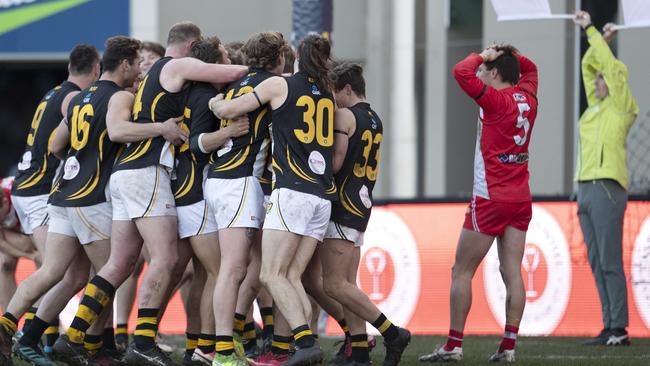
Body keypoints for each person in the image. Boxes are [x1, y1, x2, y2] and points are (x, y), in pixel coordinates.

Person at [54, 22, 248, 366]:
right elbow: (228, 70)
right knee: (164, 259)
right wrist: (268, 77)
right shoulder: (174, 64)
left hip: (124, 174)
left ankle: (74, 336)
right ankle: (143, 342)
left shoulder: (151, 81)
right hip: (147, 173)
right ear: (189, 46)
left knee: (121, 263)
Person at [1, 36, 142, 366]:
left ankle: (16, 332)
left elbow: (55, 143)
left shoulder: (79, 99)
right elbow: (119, 132)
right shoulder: (119, 96)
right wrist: (160, 128)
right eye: (136, 64)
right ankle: (83, 342)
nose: (138, 71)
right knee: (111, 272)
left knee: (62, 273)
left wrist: (77, 158)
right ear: (124, 64)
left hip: (62, 194)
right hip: (90, 196)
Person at [419, 44, 538, 363]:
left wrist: (484, 55)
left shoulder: (495, 99)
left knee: (462, 270)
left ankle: (454, 345)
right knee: (512, 272)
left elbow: (461, 71)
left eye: (486, 69)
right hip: (520, 197)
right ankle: (508, 347)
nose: (481, 72)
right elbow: (531, 69)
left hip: (490, 198)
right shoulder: (528, 96)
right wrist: (513, 53)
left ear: (495, 73)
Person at [0, 44, 100, 366]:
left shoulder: (53, 93)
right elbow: (63, 142)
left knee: (75, 275)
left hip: (29, 187)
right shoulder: (74, 99)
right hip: (40, 190)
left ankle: (36, 340)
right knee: (54, 269)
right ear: (96, 70)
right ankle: (15, 334)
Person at [200, 31, 288, 366]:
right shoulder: (270, 86)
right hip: (239, 182)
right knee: (233, 268)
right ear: (277, 58)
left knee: (247, 266)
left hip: (223, 179)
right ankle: (223, 350)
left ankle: (231, 340)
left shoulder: (234, 85)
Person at [320, 62, 410, 366]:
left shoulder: (344, 116)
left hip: (342, 205)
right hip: (361, 204)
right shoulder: (374, 118)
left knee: (334, 284)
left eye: (334, 92)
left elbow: (335, 163)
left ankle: (392, 332)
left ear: (347, 89)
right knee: (347, 284)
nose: (332, 99)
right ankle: (358, 350)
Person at [573, 11, 638, 346]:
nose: (597, 80)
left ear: (615, 81)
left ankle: (620, 327)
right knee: (597, 261)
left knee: (609, 259)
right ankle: (609, 323)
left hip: (607, 188)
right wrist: (600, 42)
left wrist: (591, 30)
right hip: (584, 188)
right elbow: (588, 65)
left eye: (603, 78)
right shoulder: (594, 108)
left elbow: (609, 69)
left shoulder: (622, 106)